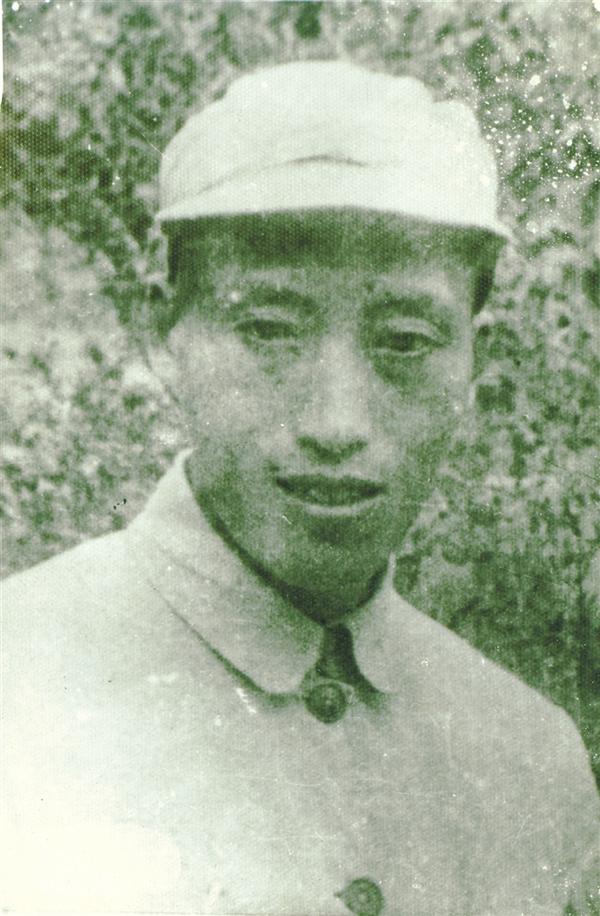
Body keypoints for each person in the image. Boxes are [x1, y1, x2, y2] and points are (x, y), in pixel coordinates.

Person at [2, 61, 599, 915]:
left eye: (404, 340)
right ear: (163, 330)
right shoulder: (21, 685)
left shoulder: (529, 758)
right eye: (270, 330)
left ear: (478, 361)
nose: (336, 422)